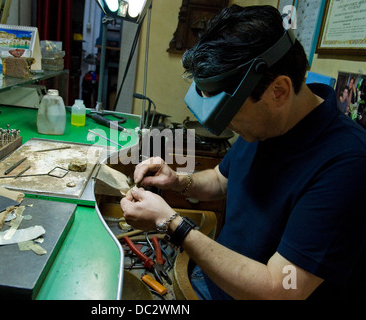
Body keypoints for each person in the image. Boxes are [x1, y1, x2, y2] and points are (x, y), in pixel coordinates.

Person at [120, 5, 366, 300]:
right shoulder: (271, 123)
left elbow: (282, 289)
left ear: (279, 90)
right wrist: (177, 181)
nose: (230, 128)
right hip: (206, 278)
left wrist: (172, 224)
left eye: (231, 114)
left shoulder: (348, 163)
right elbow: (222, 179)